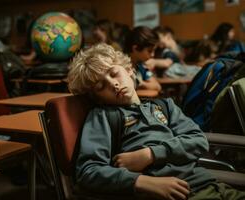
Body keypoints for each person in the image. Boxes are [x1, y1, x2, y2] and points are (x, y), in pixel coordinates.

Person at [67, 43, 245, 200]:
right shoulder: (103, 115)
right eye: (100, 87)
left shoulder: (165, 105)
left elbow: (198, 140)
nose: (113, 84)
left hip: (209, 183)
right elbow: (88, 171)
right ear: (96, 98)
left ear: (129, 70)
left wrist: (149, 155)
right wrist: (142, 182)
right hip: (179, 193)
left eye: (114, 73)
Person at [123, 26, 161, 92]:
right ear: (135, 48)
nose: (153, 55)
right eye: (149, 51)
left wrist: (140, 83)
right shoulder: (120, 68)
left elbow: (157, 86)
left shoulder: (140, 67)